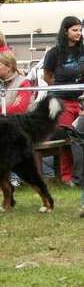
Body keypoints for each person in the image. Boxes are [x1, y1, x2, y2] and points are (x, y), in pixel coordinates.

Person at [0, 51, 33, 187]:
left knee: (10, 137)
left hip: (19, 125)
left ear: (9, 66)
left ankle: (16, 176)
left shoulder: (24, 82)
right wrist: (2, 111)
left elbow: (19, 109)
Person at [43, 16, 84, 186]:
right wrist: (60, 89)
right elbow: (47, 76)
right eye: (75, 30)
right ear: (65, 31)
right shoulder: (55, 52)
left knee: (79, 138)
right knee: (66, 137)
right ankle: (66, 176)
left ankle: (79, 175)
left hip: (81, 100)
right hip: (62, 100)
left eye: (80, 30)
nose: (78, 33)